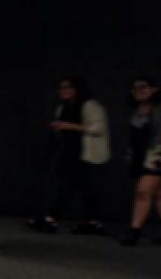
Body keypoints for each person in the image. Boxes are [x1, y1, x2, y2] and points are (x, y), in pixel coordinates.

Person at [27, 77, 110, 234]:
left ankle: (57, 218)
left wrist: (70, 126)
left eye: (68, 87)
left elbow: (98, 128)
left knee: (82, 188)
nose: (64, 91)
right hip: (69, 153)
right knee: (68, 186)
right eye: (61, 88)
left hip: (87, 154)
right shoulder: (62, 107)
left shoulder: (90, 106)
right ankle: (57, 218)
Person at [122, 76, 161, 246]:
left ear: (154, 89)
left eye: (143, 86)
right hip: (142, 156)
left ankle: (134, 231)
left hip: (157, 156)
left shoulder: (158, 109)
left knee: (143, 192)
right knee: (158, 193)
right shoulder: (137, 110)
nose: (139, 90)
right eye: (135, 87)